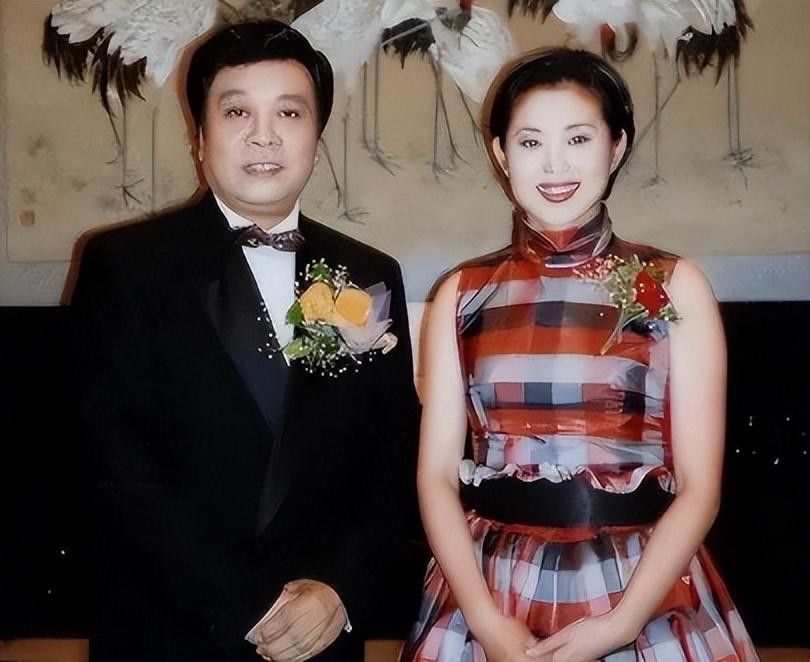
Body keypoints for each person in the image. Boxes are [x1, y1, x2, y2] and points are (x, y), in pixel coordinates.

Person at [70, 20, 422, 662]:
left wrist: (340, 589)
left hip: (319, 633)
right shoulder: (124, 267)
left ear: (317, 135)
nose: (264, 134)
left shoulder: (370, 273)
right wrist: (245, 604)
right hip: (170, 629)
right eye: (237, 112)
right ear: (199, 136)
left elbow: (394, 460)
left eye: (289, 112)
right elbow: (112, 463)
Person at [402, 48, 758, 661]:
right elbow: (435, 476)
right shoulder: (461, 292)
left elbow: (700, 488)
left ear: (616, 147)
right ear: (500, 154)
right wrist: (486, 623)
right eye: (530, 142)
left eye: (578, 138)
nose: (555, 164)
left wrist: (619, 626)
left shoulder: (674, 285)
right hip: (489, 590)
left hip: (640, 590)